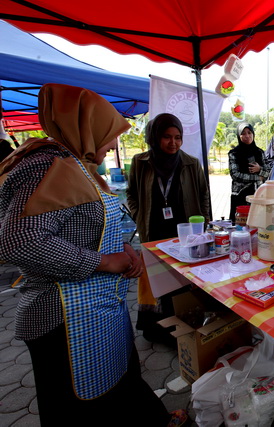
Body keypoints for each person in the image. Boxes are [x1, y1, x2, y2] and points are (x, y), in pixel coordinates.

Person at [0, 84, 180, 425]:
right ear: (86, 127)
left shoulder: (75, 165)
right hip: (62, 317)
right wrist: (103, 261)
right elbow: (21, 240)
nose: (112, 144)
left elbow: (80, 226)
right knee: (77, 409)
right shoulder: (48, 165)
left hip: (96, 308)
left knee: (117, 383)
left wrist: (119, 248)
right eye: (109, 134)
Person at [127, 113, 210, 344]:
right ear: (155, 137)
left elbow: (203, 195)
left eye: (178, 137)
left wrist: (204, 224)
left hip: (183, 234)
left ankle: (181, 332)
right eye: (166, 137)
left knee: (180, 281)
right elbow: (131, 194)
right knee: (155, 281)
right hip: (154, 231)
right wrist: (138, 215)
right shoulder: (140, 162)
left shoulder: (191, 163)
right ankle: (156, 331)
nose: (173, 143)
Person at [228, 123, 271, 219]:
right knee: (240, 222)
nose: (247, 136)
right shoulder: (234, 153)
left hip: (258, 194)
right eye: (243, 133)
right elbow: (235, 175)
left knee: (258, 221)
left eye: (249, 132)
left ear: (253, 134)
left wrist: (259, 169)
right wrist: (257, 177)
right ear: (239, 136)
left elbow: (268, 172)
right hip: (240, 194)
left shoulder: (260, 152)